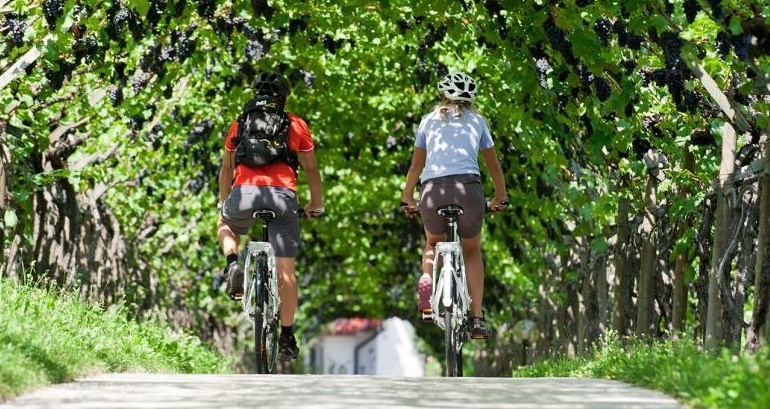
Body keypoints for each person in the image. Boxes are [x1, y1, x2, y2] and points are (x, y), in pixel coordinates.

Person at [217, 71, 324, 360]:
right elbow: (311, 169)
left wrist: (225, 202)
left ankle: (233, 263)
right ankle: (287, 336)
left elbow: (226, 169)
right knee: (286, 270)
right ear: (284, 98)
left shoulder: (240, 122)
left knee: (225, 222)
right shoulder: (295, 123)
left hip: (244, 192)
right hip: (282, 197)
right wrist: (316, 204)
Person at [401, 71, 508, 340]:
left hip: (432, 191)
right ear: (471, 100)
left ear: (443, 95)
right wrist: (500, 197)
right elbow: (494, 166)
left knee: (432, 244)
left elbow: (416, 166)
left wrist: (408, 198)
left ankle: (427, 278)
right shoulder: (478, 122)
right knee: (471, 250)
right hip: (469, 190)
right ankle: (477, 317)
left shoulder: (428, 121)